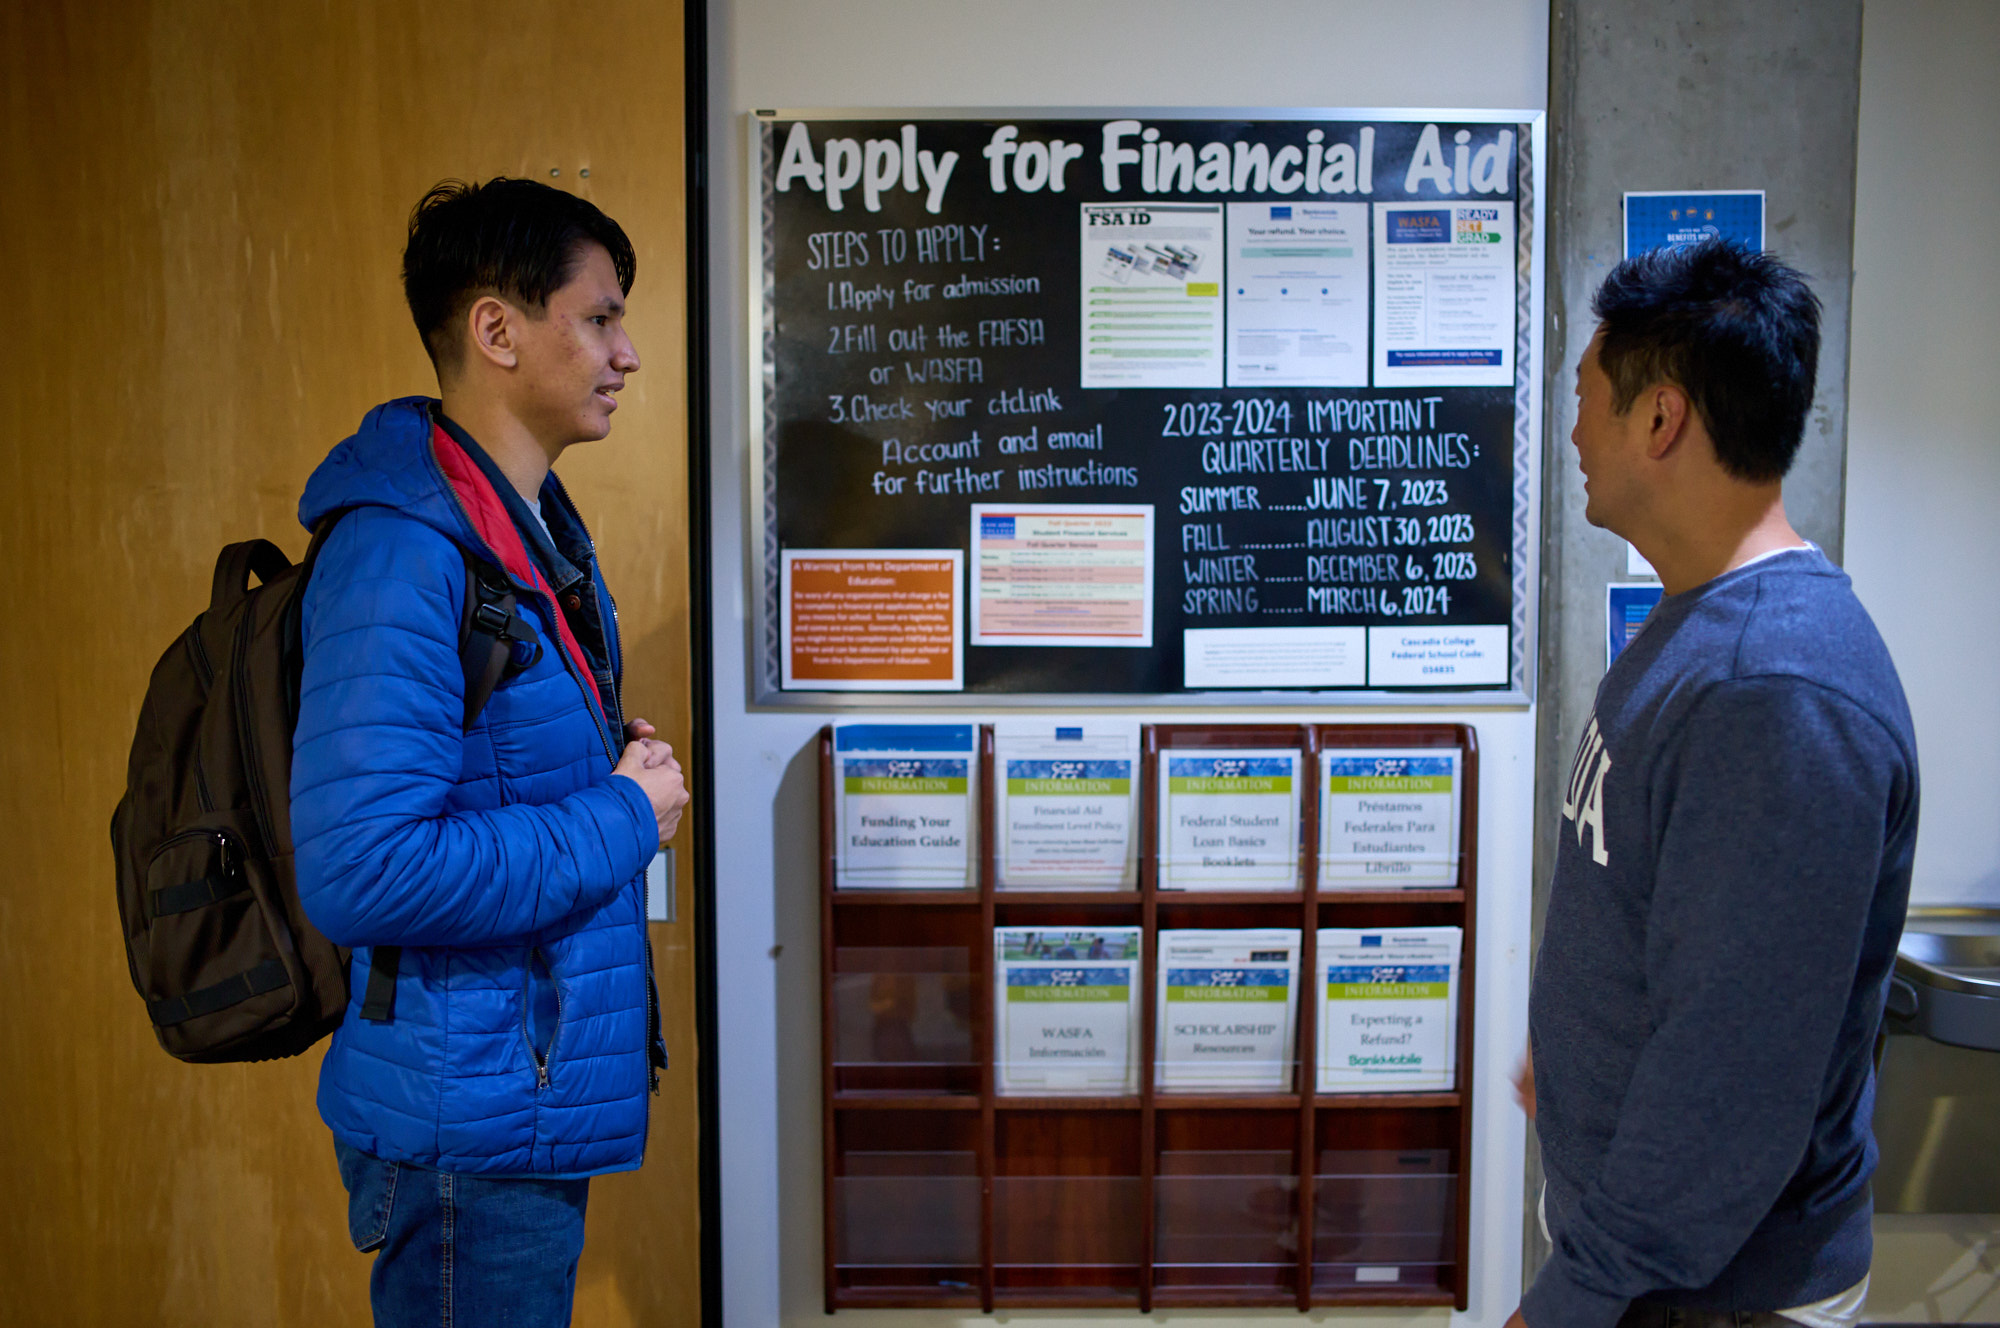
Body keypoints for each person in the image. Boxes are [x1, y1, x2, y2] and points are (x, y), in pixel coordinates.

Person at [290, 177, 691, 1327]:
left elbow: (487, 766)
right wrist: (622, 814)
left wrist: (606, 767)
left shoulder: (520, 530)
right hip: (463, 1122)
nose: (626, 352)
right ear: (497, 328)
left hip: (505, 1094)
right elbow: (363, 865)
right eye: (600, 315)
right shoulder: (405, 554)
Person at [1513, 239, 1919, 1328]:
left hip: (1704, 1291)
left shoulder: (1772, 690)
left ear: (1660, 420)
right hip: (1656, 1264)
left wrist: (1571, 1296)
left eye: (1587, 398)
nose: (1570, 433)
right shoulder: (1701, 627)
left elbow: (1727, 1086)